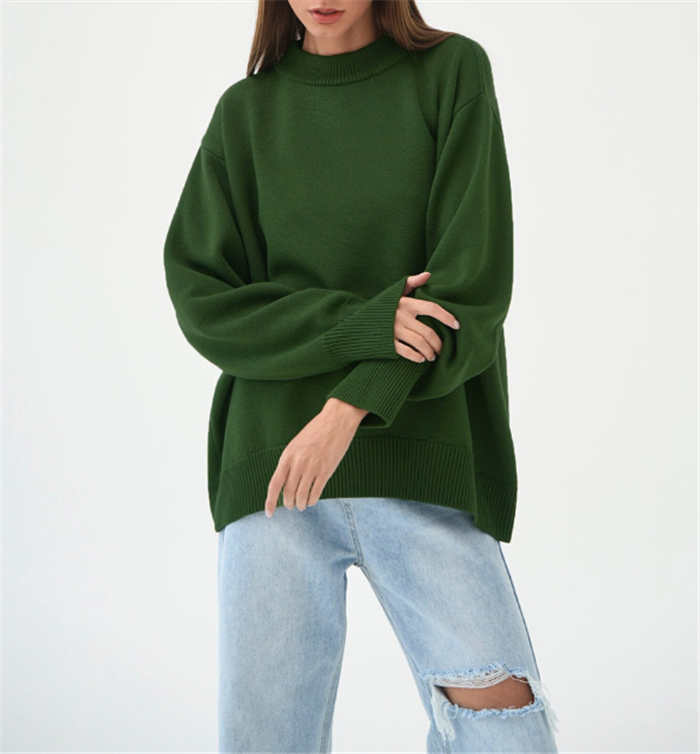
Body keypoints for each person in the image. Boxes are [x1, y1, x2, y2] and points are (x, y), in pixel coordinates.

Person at [163, 1, 560, 751]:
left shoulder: (450, 73)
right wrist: (365, 321)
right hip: (275, 474)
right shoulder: (246, 113)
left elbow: (469, 291)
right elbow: (204, 301)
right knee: (268, 741)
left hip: (420, 455)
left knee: (504, 726)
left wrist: (348, 406)